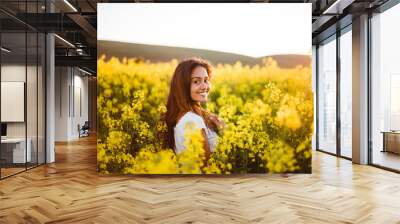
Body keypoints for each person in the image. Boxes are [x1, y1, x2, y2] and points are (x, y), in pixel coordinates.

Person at [163, 58, 224, 161]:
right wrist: (225, 131)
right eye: (196, 81)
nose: (204, 86)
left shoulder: (184, 114)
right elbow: (207, 169)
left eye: (206, 80)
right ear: (183, 85)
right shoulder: (193, 121)